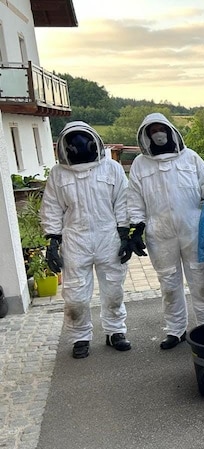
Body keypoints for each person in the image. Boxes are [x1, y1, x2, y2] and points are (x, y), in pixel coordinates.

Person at [128, 113, 204, 350]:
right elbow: (134, 198)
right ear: (147, 136)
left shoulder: (189, 157)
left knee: (201, 279)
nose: (158, 134)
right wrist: (136, 227)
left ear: (170, 131)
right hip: (159, 233)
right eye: (153, 130)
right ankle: (175, 330)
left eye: (161, 128)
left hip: (192, 228)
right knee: (169, 284)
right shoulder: (141, 164)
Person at [40, 121, 133, 359]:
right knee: (75, 295)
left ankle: (115, 332)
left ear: (93, 141)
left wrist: (124, 235)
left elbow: (122, 201)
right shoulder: (58, 174)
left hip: (107, 236)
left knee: (113, 290)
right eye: (73, 141)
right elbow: (51, 207)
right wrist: (52, 241)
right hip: (75, 239)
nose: (78, 145)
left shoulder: (111, 168)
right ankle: (80, 337)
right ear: (65, 146)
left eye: (82, 139)